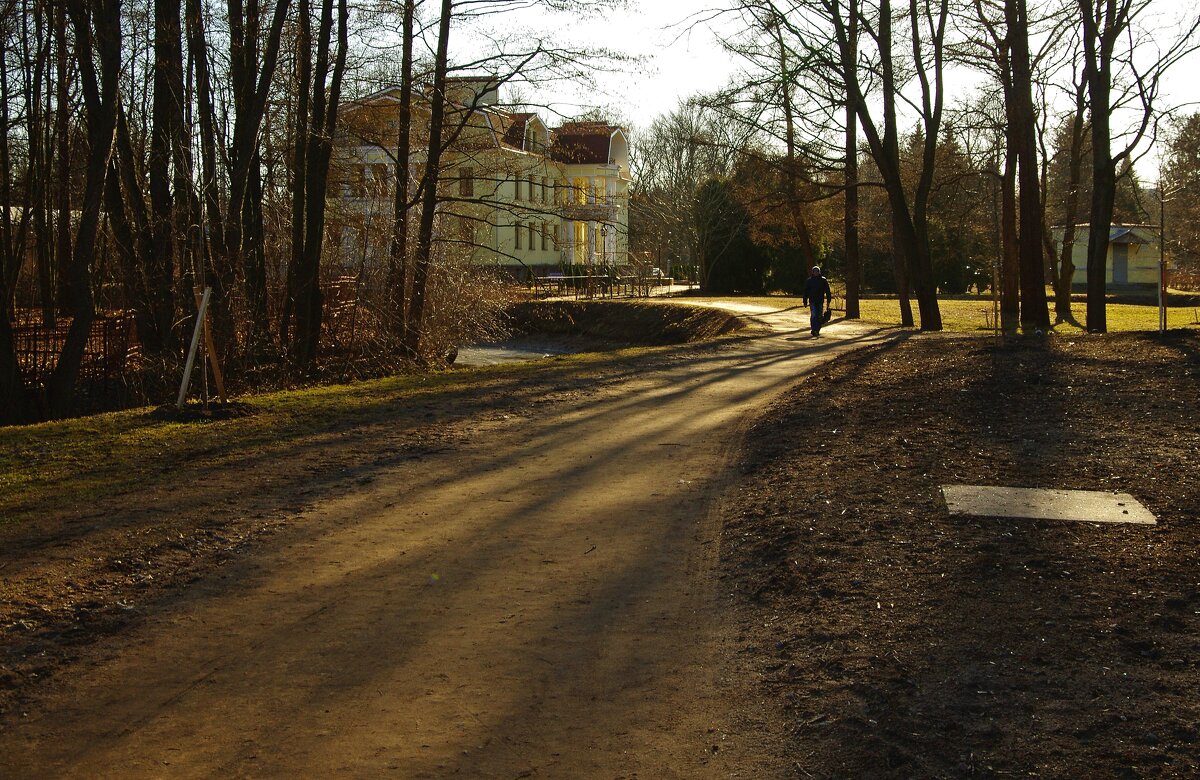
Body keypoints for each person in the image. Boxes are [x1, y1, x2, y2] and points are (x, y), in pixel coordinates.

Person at [802, 265, 832, 337]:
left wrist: (828, 300)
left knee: (819, 316)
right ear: (812, 272)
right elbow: (806, 291)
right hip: (812, 301)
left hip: (820, 301)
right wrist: (805, 301)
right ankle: (814, 329)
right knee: (814, 315)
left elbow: (827, 291)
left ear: (819, 272)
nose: (816, 272)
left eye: (817, 271)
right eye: (814, 271)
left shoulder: (823, 280)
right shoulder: (809, 281)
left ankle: (817, 330)